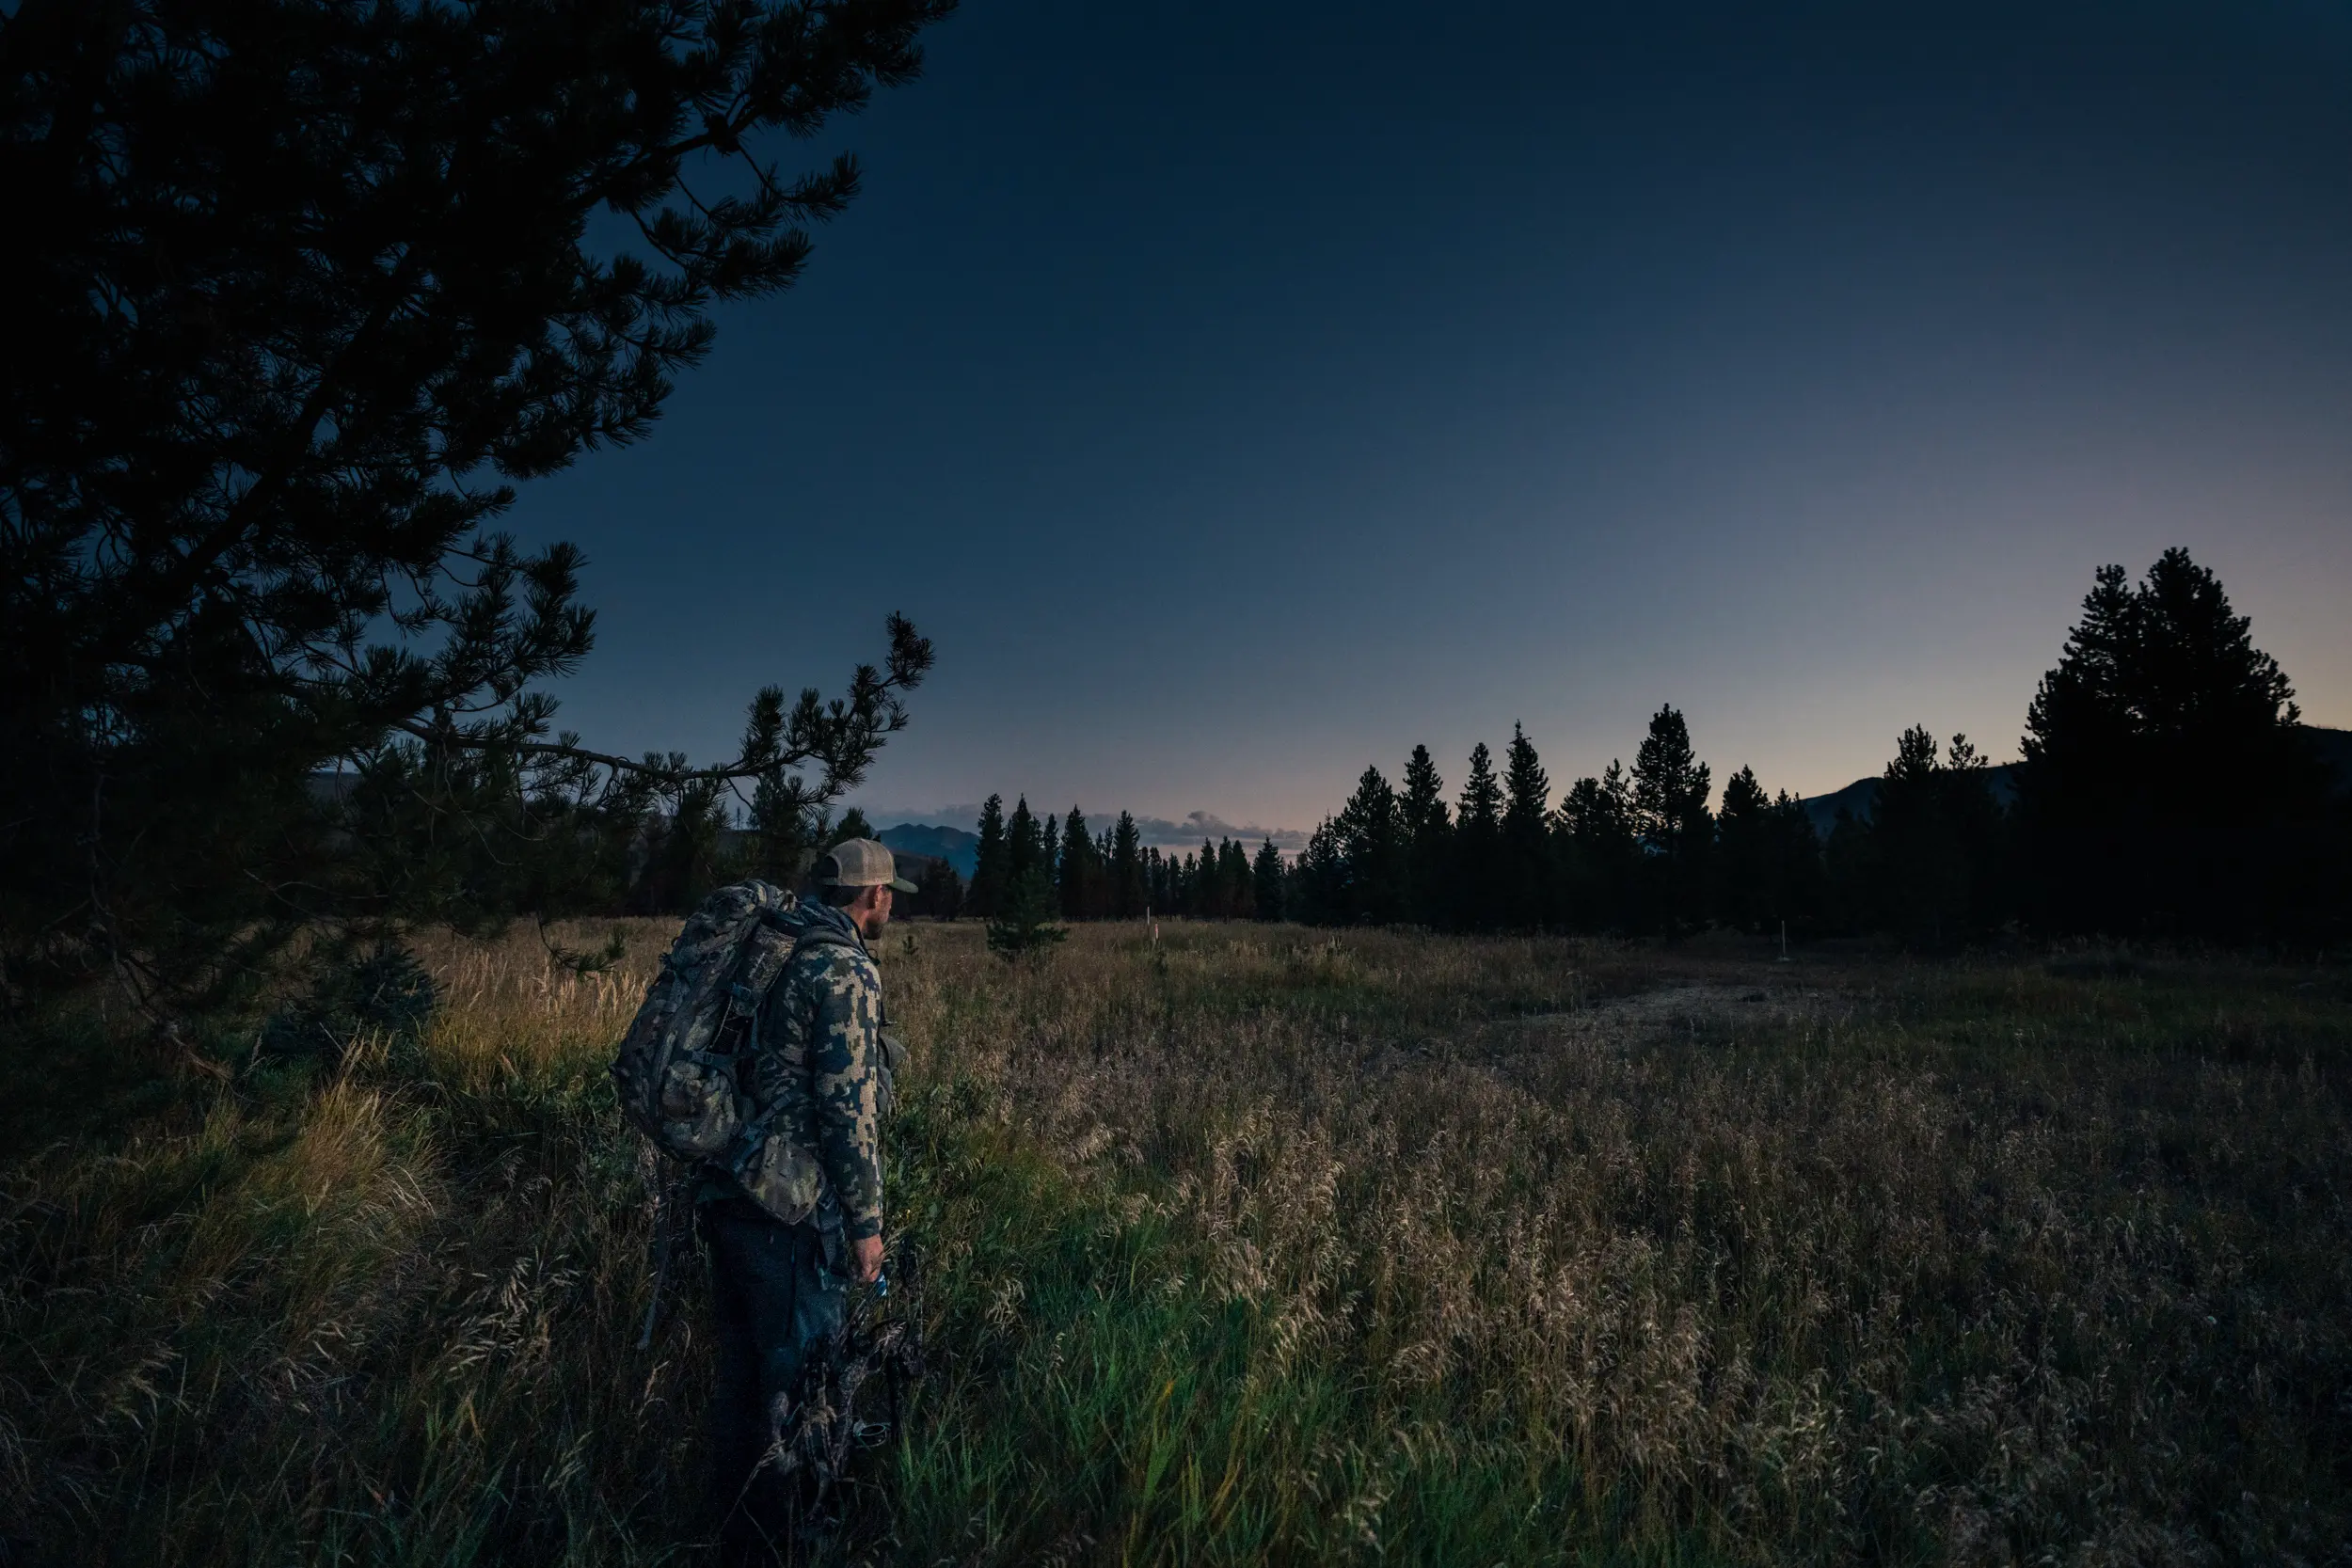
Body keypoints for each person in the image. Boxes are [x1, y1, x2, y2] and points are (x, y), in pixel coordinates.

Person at [700, 837, 914, 1560]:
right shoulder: (843, 969)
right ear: (872, 896)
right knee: (799, 1392)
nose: (889, 904)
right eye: (888, 894)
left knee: (740, 1386)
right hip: (786, 1213)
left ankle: (728, 1535)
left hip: (728, 1187)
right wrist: (867, 1228)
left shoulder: (776, 946)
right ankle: (788, 1541)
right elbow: (848, 1117)